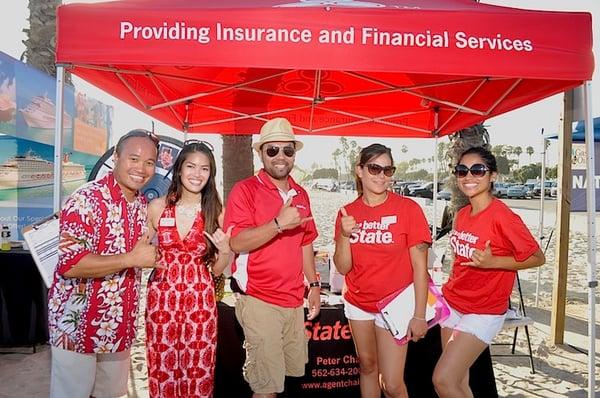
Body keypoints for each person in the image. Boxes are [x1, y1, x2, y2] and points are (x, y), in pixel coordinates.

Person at [48, 129, 161, 398]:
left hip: (118, 324)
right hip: (76, 325)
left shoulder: (142, 205)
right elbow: (70, 264)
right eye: (133, 159)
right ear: (115, 157)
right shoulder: (85, 199)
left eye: (149, 162)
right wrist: (131, 259)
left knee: (111, 394)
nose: (141, 169)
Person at [432, 146, 545, 398]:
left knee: (442, 380)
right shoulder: (460, 214)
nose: (468, 177)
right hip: (452, 304)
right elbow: (459, 262)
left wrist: (494, 262)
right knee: (459, 382)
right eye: (462, 171)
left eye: (477, 170)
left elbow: (537, 257)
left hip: (483, 310)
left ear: (492, 176)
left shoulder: (502, 216)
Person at [224, 117, 320, 398]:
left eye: (287, 151)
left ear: (294, 154)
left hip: (293, 301)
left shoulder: (301, 193)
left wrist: (313, 287)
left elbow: (305, 242)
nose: (280, 157)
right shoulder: (245, 190)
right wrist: (277, 224)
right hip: (259, 301)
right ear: (260, 152)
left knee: (288, 379)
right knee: (266, 387)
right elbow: (236, 241)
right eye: (272, 150)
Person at [333, 143, 432, 398]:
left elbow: (420, 267)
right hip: (357, 302)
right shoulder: (347, 213)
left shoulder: (409, 210)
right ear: (360, 170)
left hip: (395, 306)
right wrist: (344, 235)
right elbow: (343, 267)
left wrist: (419, 315)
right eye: (375, 168)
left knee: (392, 383)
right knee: (367, 367)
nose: (381, 176)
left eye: (387, 170)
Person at [145, 140, 232, 397]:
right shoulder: (157, 207)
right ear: (179, 169)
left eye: (204, 169)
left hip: (200, 301)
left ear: (211, 174)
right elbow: (139, 252)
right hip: (161, 300)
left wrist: (225, 251)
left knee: (199, 369)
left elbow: (216, 271)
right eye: (191, 166)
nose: (197, 174)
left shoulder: (216, 211)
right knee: (162, 369)